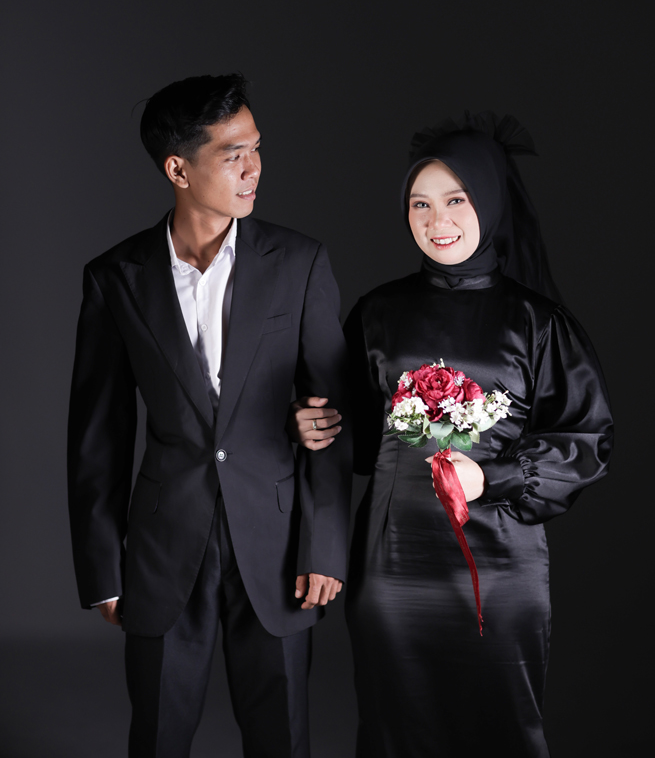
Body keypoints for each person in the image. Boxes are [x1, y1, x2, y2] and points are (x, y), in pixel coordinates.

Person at [292, 114, 613, 757]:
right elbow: (357, 441)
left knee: (499, 730)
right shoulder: (378, 312)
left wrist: (491, 476)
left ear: (489, 202)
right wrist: (314, 424)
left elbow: (587, 440)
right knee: (395, 728)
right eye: (420, 204)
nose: (437, 220)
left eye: (456, 200)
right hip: (392, 567)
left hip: (501, 569)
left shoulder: (537, 322)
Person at [67, 74, 352, 758]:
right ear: (178, 169)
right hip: (163, 548)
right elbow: (97, 435)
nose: (254, 168)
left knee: (281, 739)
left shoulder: (300, 262)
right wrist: (102, 570)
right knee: (158, 737)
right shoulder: (115, 277)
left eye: (256, 148)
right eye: (232, 154)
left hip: (278, 547)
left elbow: (332, 418)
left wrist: (323, 546)